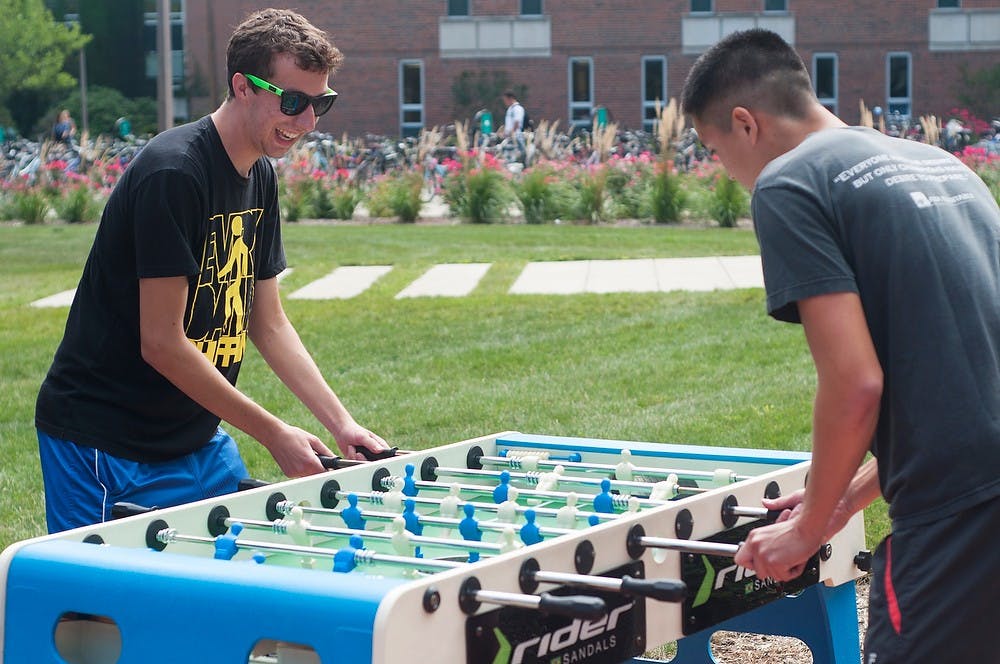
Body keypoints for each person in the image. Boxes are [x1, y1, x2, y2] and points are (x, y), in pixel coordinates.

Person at [680, 29, 999, 663]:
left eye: (716, 151)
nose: (729, 172)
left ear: (746, 124)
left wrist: (803, 531)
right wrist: (843, 499)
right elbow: (967, 380)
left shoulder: (789, 183)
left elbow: (856, 384)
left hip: (955, 522)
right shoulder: (941, 164)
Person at [35, 8, 390, 534]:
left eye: (321, 103)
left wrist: (342, 424)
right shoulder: (174, 173)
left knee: (227, 589)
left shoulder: (258, 176)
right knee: (103, 610)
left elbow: (266, 322)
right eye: (293, 102)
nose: (309, 122)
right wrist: (273, 432)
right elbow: (160, 341)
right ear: (242, 86)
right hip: (105, 442)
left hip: (196, 438)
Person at [501, 90, 527, 160]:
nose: (505, 102)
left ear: (511, 98)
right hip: (509, 137)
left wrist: (511, 133)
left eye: (506, 100)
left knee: (518, 156)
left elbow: (517, 122)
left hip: (516, 136)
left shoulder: (518, 108)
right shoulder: (510, 109)